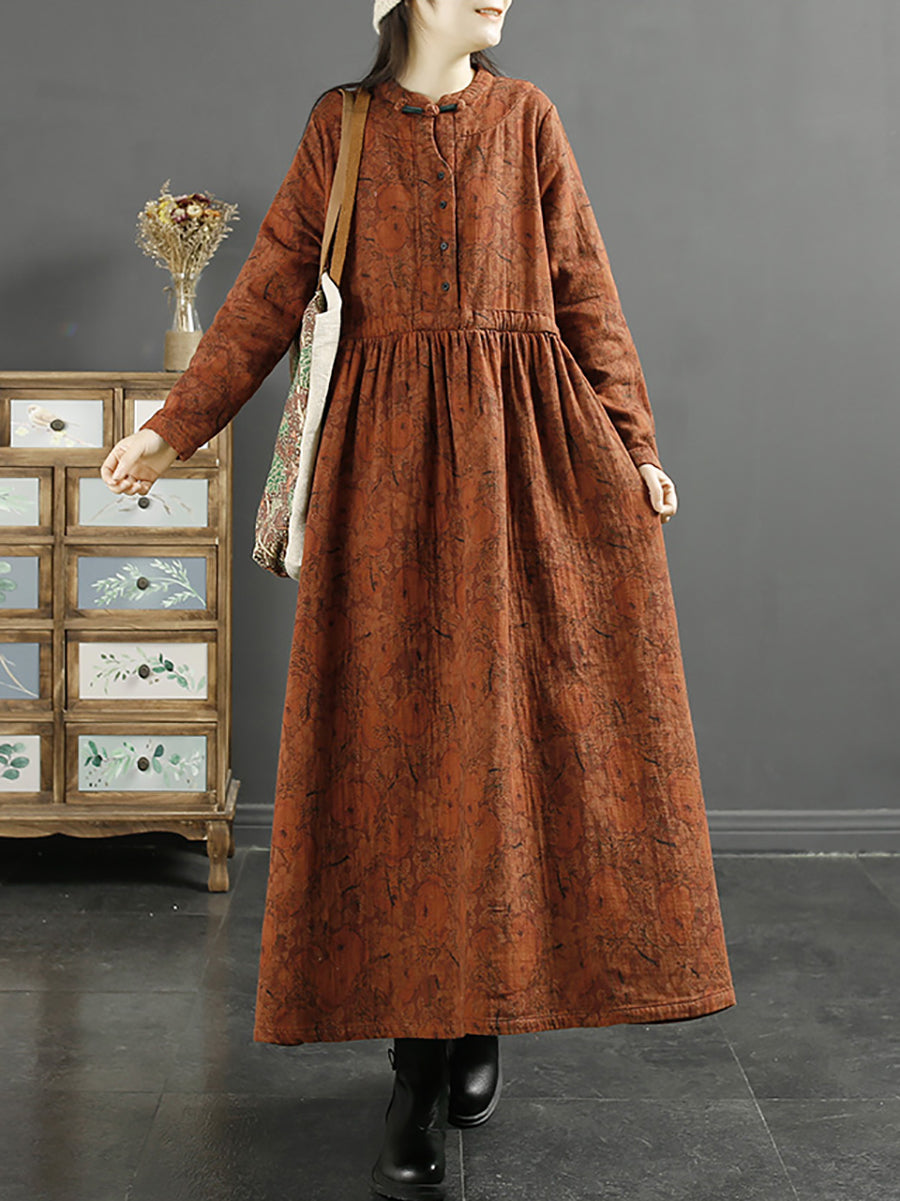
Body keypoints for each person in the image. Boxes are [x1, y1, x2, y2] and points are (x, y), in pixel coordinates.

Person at [101, 2, 737, 1196]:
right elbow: (270, 292)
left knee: (504, 752)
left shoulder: (528, 119)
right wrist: (172, 429)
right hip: (383, 483)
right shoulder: (339, 127)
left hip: (524, 469)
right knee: (402, 759)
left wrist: (634, 441)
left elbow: (584, 288)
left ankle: (478, 1010)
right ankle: (414, 1061)